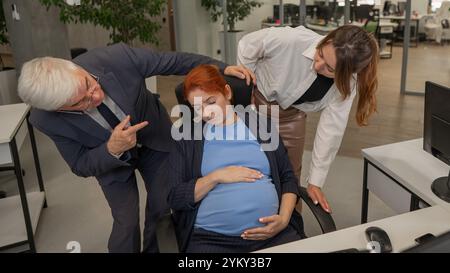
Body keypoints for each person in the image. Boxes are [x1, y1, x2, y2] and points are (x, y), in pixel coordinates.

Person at [17, 43, 255, 253]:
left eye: (90, 84)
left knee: (162, 206)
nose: (96, 96)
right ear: (59, 109)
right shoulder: (45, 119)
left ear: (76, 69)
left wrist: (221, 68)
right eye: (82, 102)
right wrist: (111, 149)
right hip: (111, 162)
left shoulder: (116, 58)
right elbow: (80, 165)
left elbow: (173, 61)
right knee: (126, 222)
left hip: (155, 140)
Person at [238, 25, 379, 213]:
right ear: (326, 40)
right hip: (255, 107)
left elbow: (331, 129)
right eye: (320, 53)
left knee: (290, 176)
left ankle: (289, 226)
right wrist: (245, 84)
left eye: (329, 68)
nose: (317, 65)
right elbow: (247, 45)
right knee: (251, 169)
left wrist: (315, 182)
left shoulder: (348, 85)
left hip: (291, 117)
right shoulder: (291, 39)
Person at [168, 64, 305, 253]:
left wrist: (283, 219)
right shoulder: (186, 137)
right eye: (197, 108)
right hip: (211, 240)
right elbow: (174, 196)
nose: (206, 113)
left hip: (273, 235)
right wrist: (216, 176)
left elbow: (287, 177)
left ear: (227, 92)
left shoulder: (261, 126)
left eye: (211, 101)